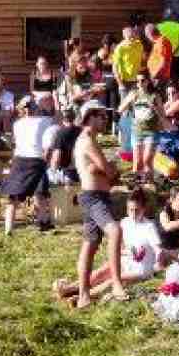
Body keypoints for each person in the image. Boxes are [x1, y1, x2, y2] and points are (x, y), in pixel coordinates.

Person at [52, 190, 162, 304]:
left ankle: (85, 296)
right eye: (130, 210)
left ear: (144, 209)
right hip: (126, 262)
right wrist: (123, 252)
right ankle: (68, 289)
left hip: (141, 270)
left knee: (111, 281)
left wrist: (159, 258)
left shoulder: (149, 226)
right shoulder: (125, 222)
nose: (133, 214)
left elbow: (157, 248)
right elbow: (121, 246)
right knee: (99, 273)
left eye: (137, 210)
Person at [67, 103, 124, 309]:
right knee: (115, 231)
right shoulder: (87, 141)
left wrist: (102, 170)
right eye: (102, 116)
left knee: (90, 245)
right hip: (94, 197)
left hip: (96, 195)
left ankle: (83, 296)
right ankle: (117, 284)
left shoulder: (89, 141)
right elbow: (110, 173)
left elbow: (102, 171)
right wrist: (109, 169)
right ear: (90, 117)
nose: (105, 120)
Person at [2, 97, 56, 234]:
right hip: (37, 160)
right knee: (40, 192)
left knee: (13, 196)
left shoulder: (17, 124)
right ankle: (43, 222)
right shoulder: (46, 121)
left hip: (20, 160)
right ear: (35, 108)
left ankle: (9, 227)